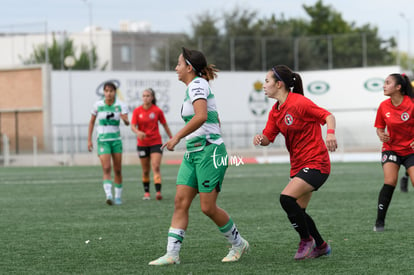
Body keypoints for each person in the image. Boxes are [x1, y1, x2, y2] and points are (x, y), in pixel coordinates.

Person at [148, 47, 249, 266]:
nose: (176, 68)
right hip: (194, 152)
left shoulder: (197, 85)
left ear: (189, 67)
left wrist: (176, 138)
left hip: (209, 152)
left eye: (178, 64)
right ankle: (172, 254)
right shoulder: (194, 87)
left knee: (207, 207)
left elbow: (201, 116)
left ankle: (238, 244)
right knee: (180, 202)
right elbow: (213, 117)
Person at [253, 65, 337, 260]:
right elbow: (268, 137)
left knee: (286, 198)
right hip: (299, 166)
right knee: (299, 211)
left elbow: (328, 116)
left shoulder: (299, 103)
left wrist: (330, 134)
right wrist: (260, 139)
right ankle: (322, 246)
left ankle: (306, 240)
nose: (264, 86)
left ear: (279, 84)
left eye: (267, 81)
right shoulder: (275, 111)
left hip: (317, 163)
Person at [373, 73, 414, 232]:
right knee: (390, 181)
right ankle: (379, 222)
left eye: (387, 83)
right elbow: (379, 127)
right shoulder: (383, 106)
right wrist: (380, 134)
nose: (384, 85)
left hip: (411, 151)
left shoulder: (411, 104)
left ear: (398, 87)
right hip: (391, 149)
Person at [87, 81, 130, 205]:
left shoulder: (121, 106)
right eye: (106, 91)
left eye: (111, 91)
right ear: (104, 92)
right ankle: (109, 195)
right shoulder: (97, 105)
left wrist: (125, 120)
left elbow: (127, 123)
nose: (109, 93)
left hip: (116, 141)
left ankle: (118, 196)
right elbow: (91, 122)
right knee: (106, 168)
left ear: (114, 92)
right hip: (103, 141)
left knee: (117, 170)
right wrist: (89, 140)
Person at [130, 88, 173, 200]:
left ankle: (158, 192)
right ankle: (147, 193)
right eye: (144, 96)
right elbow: (133, 126)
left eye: (148, 95)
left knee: (156, 166)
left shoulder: (157, 111)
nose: (146, 98)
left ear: (152, 97)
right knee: (145, 170)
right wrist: (138, 132)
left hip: (156, 142)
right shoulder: (137, 111)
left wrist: (172, 138)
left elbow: (165, 125)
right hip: (142, 144)